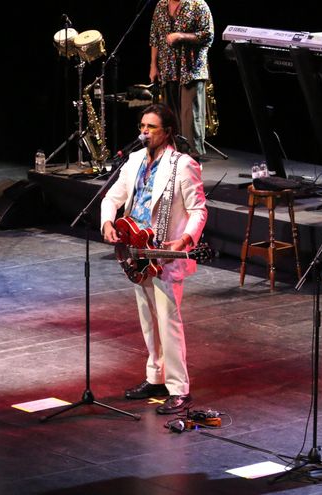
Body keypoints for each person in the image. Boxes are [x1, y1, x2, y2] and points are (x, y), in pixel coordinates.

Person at [100, 103, 207, 414]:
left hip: (165, 254)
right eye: (142, 126)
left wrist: (184, 240)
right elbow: (112, 197)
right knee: (148, 319)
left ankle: (179, 389)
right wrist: (107, 222)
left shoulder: (182, 165)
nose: (144, 132)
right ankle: (156, 377)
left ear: (167, 132)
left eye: (151, 127)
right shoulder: (134, 160)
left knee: (168, 321)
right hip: (136, 248)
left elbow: (199, 210)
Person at [149, 0, 214, 161]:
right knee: (170, 118)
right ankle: (173, 158)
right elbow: (155, 38)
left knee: (190, 119)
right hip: (168, 69)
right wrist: (153, 65)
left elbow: (208, 35)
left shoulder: (198, 5)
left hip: (191, 71)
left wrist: (181, 36)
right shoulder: (161, 6)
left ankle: (192, 160)